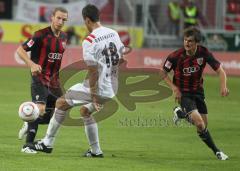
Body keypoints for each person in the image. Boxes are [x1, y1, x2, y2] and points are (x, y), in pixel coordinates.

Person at [26, 4, 125, 157]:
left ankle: (47, 143)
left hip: (99, 88)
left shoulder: (90, 41)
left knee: (60, 103)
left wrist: (94, 95)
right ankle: (96, 152)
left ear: (87, 20)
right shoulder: (114, 33)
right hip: (113, 86)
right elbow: (121, 59)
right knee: (85, 111)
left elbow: (93, 71)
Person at [162, 27, 229, 160]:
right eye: (185, 40)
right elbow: (162, 73)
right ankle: (217, 152)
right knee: (199, 123)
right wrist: (174, 88)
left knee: (203, 125)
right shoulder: (175, 56)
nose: (187, 43)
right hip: (183, 94)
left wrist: (223, 87)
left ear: (197, 42)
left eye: (190, 41)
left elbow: (220, 71)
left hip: (198, 92)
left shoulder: (203, 53)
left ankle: (180, 113)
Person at [17, 7, 68, 153]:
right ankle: (27, 146)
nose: (60, 21)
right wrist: (32, 64)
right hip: (39, 78)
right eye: (58, 18)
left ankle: (29, 123)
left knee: (56, 115)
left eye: (64, 19)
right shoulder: (40, 35)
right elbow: (20, 50)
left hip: (54, 82)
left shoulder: (64, 37)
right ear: (52, 17)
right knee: (40, 109)